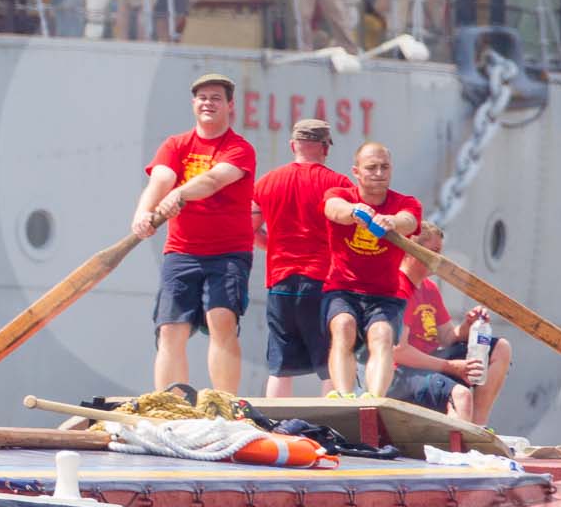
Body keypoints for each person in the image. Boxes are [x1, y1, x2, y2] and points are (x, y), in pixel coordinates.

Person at [133, 72, 256, 392]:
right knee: (170, 328)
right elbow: (160, 180)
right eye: (202, 97)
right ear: (193, 104)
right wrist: (143, 213)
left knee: (221, 320)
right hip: (182, 251)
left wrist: (180, 194)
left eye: (216, 98)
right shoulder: (176, 144)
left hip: (228, 253)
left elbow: (213, 180)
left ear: (230, 106)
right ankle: (170, 402)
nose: (208, 103)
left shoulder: (240, 148)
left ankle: (225, 401)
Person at [251, 119, 350, 398]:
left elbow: (249, 229)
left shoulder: (267, 182)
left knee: (280, 365)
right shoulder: (339, 185)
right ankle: (333, 426)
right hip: (322, 282)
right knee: (332, 360)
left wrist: (271, 245)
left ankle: (274, 427)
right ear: (324, 148)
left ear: (293, 145)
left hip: (280, 282)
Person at [320, 141, 420, 399]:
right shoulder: (340, 195)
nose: (378, 173)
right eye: (371, 167)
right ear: (356, 171)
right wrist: (353, 212)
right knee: (343, 326)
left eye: (384, 167)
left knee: (382, 334)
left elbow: (410, 221)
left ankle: (374, 398)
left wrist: (392, 221)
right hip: (343, 289)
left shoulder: (404, 202)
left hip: (385, 294)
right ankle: (344, 394)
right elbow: (333, 209)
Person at [391, 223, 513, 425]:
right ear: (413, 248)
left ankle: (478, 426)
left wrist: (469, 325)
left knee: (500, 348)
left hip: (431, 362)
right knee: (461, 396)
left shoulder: (428, 288)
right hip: (404, 373)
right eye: (434, 251)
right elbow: (399, 352)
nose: (439, 259)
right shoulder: (399, 286)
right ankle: (464, 448)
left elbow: (447, 337)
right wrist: (451, 367)